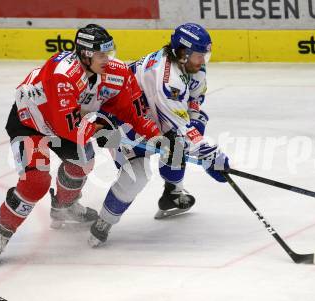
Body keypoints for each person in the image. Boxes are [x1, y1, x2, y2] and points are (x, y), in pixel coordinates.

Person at [0, 24, 160, 265]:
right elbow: (67, 128)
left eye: (109, 53)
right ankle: (2, 231)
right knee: (36, 183)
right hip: (32, 125)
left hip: (69, 125)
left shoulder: (114, 72)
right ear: (85, 55)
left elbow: (131, 112)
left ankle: (64, 206)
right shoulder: (63, 74)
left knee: (83, 163)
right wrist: (99, 129)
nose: (107, 59)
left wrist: (155, 135)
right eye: (101, 55)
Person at [88, 23, 230, 247]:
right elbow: (181, 131)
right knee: (138, 174)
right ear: (183, 54)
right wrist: (211, 155)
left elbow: (193, 103)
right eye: (198, 56)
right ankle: (104, 222)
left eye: (205, 55)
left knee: (188, 134)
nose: (203, 61)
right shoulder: (167, 80)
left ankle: (172, 193)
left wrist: (198, 138)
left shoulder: (192, 66)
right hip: (122, 118)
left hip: (156, 113)